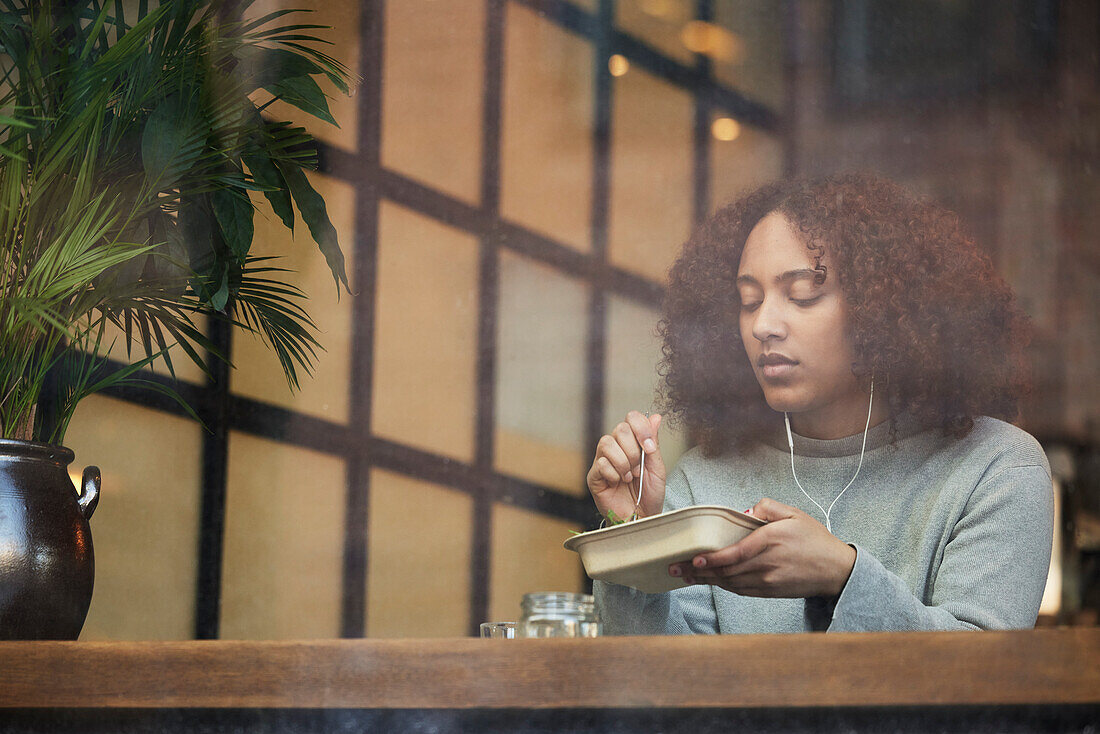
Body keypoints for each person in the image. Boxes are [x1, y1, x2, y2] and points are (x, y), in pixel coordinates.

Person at [587, 173, 1054, 633]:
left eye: (802, 295)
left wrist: (842, 576)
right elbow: (667, 690)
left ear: (883, 310)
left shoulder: (994, 468)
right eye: (748, 301)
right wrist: (633, 539)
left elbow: (985, 679)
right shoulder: (704, 484)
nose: (762, 324)